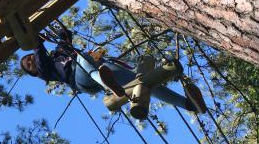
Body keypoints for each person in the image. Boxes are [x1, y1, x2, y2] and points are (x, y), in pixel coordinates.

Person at [19, 26, 203, 113]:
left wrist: (54, 30)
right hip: (80, 79)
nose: (30, 61)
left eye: (28, 59)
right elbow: (40, 57)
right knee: (82, 57)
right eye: (28, 65)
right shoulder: (45, 71)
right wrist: (36, 42)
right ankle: (108, 84)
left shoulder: (59, 52)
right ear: (35, 73)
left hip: (99, 69)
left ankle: (188, 104)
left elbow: (65, 36)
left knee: (143, 81)